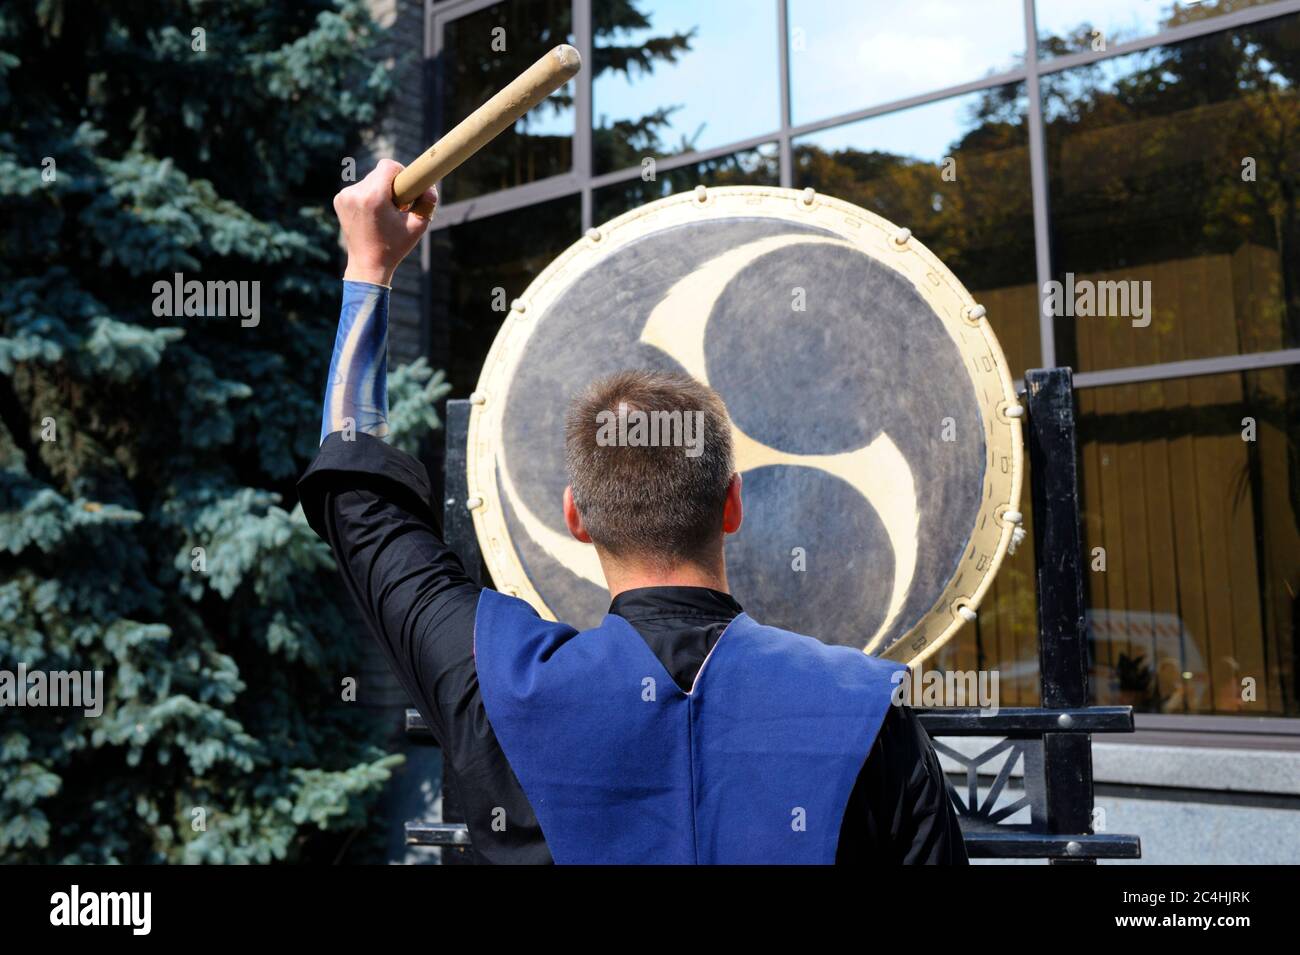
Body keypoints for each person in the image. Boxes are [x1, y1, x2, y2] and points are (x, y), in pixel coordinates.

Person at [298, 159, 969, 865]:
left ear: (575, 517)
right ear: (733, 502)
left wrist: (368, 267)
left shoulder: (504, 689)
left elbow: (358, 496)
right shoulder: (863, 713)